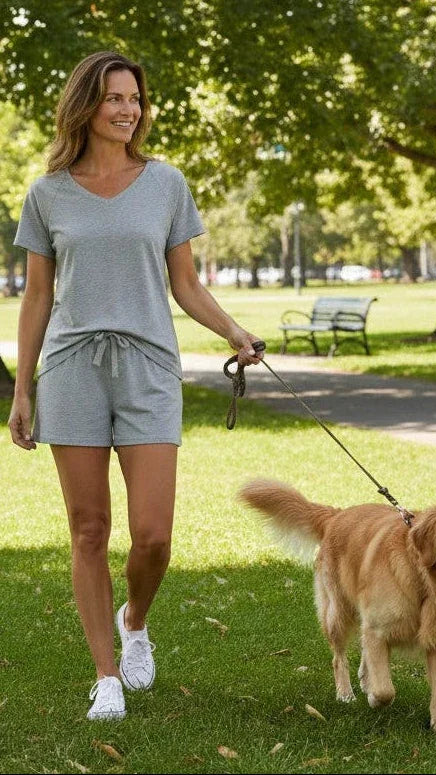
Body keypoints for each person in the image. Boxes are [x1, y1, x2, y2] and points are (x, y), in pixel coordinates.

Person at [8, 51, 263, 721]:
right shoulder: (48, 191)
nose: (128, 109)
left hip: (149, 366)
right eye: (114, 97)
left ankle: (135, 619)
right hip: (71, 367)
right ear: (85, 105)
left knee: (152, 535)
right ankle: (106, 676)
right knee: (89, 529)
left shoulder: (165, 183)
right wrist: (23, 387)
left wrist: (235, 332)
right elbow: (37, 296)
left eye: (135, 98)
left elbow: (185, 282)